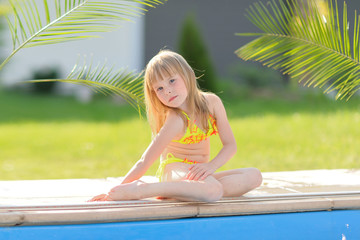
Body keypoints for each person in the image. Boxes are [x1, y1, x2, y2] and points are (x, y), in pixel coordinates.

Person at [90, 50, 262, 202]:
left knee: (254, 176)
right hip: (175, 171)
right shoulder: (176, 120)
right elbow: (145, 161)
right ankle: (144, 190)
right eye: (159, 89)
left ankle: (186, 192)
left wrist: (211, 166)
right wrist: (116, 191)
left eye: (172, 81)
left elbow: (230, 145)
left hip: (200, 173)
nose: (168, 91)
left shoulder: (213, 103)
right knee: (213, 190)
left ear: (187, 75)